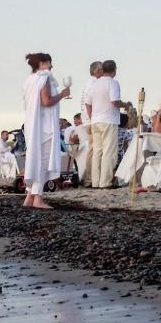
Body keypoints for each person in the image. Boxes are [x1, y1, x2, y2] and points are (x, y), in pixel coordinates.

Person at [22, 52, 70, 208]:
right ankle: (38, 199)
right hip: (45, 127)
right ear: (43, 63)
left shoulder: (29, 80)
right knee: (42, 162)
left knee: (35, 159)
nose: (51, 65)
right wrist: (62, 94)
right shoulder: (44, 78)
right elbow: (46, 101)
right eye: (49, 62)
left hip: (33, 125)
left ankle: (29, 197)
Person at [84, 59, 123, 189]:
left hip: (95, 120)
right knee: (109, 151)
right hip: (109, 120)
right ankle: (105, 182)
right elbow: (115, 101)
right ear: (114, 70)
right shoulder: (113, 83)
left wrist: (92, 117)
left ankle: (95, 182)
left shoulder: (94, 84)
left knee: (97, 152)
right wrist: (125, 104)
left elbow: (87, 104)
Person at [78, 61, 103, 185]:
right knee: (94, 150)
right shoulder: (94, 83)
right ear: (97, 71)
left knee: (93, 149)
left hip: (88, 120)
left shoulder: (89, 83)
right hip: (91, 120)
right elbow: (89, 104)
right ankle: (89, 179)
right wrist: (94, 120)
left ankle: (90, 178)